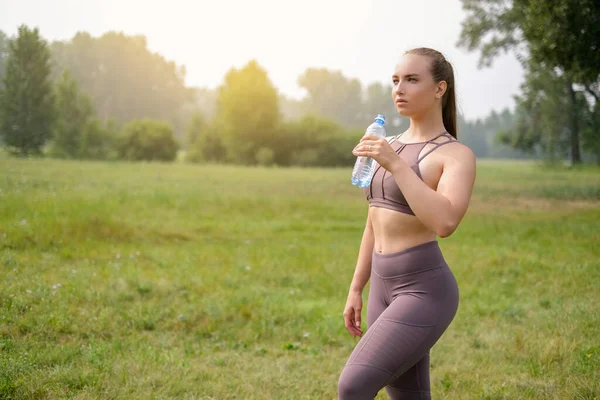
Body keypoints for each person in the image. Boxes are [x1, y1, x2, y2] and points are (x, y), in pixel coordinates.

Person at [337, 47, 477, 399]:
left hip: (425, 291)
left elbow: (445, 221)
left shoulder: (454, 155)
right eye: (396, 80)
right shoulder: (389, 144)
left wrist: (396, 164)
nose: (400, 88)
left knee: (353, 386)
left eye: (412, 79)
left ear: (439, 89)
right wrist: (357, 287)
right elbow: (374, 220)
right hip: (381, 288)